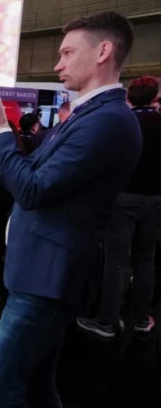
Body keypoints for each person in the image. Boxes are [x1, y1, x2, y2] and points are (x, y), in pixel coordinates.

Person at [0, 11, 142, 407]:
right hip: (40, 269)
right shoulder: (86, 115)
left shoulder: (109, 120)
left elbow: (31, 189)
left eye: (66, 53)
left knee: (1, 383)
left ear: (103, 51)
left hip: (49, 275)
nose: (57, 64)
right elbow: (29, 174)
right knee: (37, 382)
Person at [77, 76, 161, 338]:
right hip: (156, 199)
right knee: (146, 260)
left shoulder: (123, 122)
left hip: (121, 199)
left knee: (115, 262)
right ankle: (141, 319)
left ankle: (107, 322)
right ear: (155, 97)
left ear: (129, 97)